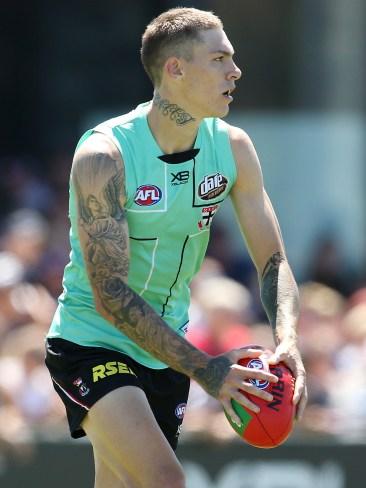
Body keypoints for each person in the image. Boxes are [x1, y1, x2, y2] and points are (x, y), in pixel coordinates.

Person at [45, 7, 307, 488]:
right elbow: (110, 293)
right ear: (175, 69)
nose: (236, 71)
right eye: (220, 58)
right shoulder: (105, 156)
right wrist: (207, 368)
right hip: (91, 341)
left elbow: (274, 262)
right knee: (166, 480)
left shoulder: (232, 148)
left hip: (167, 353)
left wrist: (288, 337)